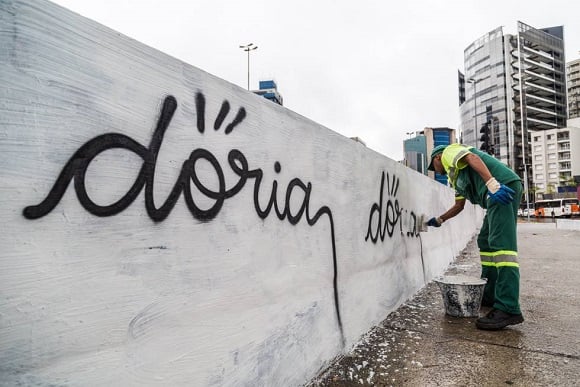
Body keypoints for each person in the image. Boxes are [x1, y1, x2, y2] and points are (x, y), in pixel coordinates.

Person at [426, 144, 524, 330]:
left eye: (433, 165)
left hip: (501, 188)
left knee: (503, 247)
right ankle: (490, 294)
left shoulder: (448, 152)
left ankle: (508, 307)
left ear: (437, 157)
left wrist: (493, 185)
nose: (434, 170)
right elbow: (459, 206)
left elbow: (472, 158)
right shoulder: (455, 177)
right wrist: (439, 220)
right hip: (494, 195)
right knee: (485, 241)